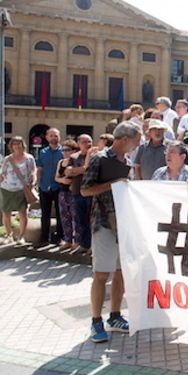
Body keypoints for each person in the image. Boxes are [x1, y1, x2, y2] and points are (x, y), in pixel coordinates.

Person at [81, 122, 142, 343]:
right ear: (125, 139)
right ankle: (96, 321)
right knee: (100, 274)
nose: (139, 144)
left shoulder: (127, 162)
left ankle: (115, 316)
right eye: (137, 140)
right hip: (104, 222)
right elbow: (85, 189)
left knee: (120, 271)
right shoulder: (99, 159)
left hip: (123, 223)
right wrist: (112, 184)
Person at [0, 136, 36, 245]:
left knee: (23, 213)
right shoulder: (7, 159)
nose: (17, 146)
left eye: (19, 143)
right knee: (6, 213)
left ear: (23, 145)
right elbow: (2, 173)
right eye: (14, 144)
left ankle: (21, 237)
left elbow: (33, 172)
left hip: (22, 189)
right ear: (11, 146)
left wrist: (32, 184)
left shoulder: (29, 158)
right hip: (7, 188)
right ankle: (9, 236)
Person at [35, 127, 63, 246]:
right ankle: (44, 238)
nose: (53, 138)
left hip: (59, 186)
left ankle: (59, 237)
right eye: (51, 135)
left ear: (59, 137)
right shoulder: (43, 152)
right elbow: (40, 169)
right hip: (45, 186)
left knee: (60, 213)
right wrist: (37, 183)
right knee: (45, 214)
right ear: (47, 137)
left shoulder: (63, 152)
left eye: (56, 135)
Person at [55, 139, 80, 251]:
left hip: (73, 192)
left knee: (76, 217)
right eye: (63, 150)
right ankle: (67, 240)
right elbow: (56, 177)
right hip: (63, 192)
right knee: (64, 217)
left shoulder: (76, 161)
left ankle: (77, 241)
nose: (64, 152)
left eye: (67, 150)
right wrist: (62, 181)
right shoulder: (61, 162)